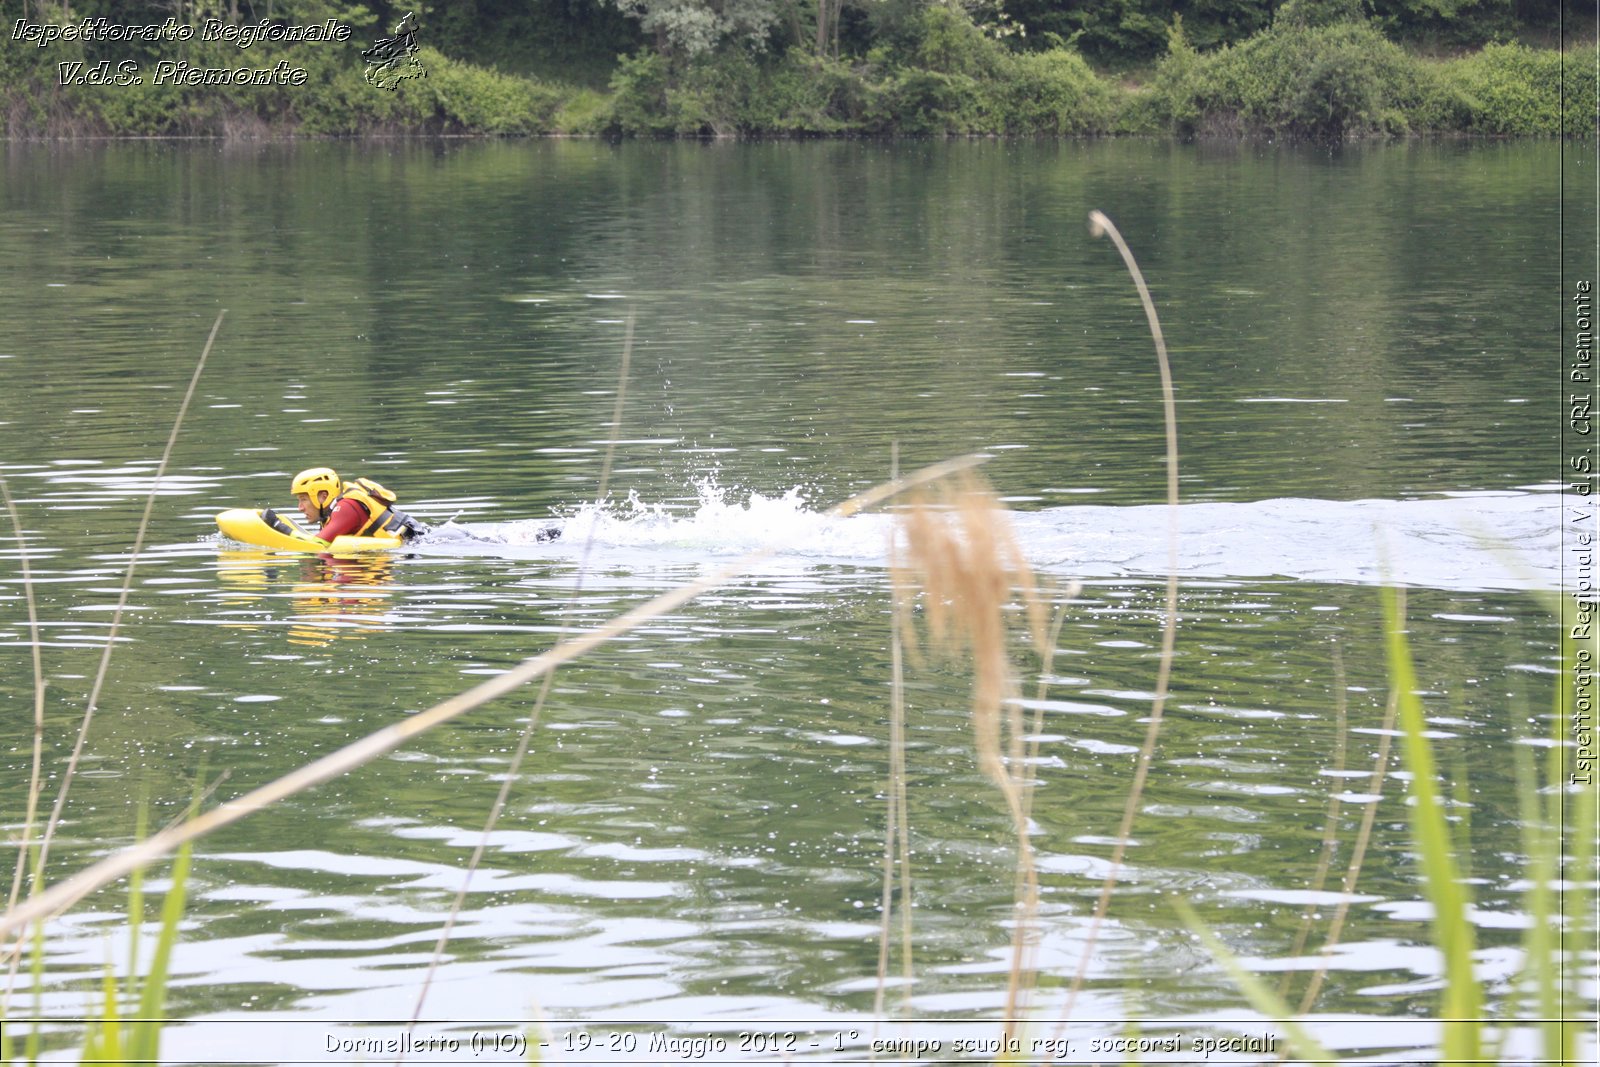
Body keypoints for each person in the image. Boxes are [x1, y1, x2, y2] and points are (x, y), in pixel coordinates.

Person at [291, 467, 428, 542]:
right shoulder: (328, 516)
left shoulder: (346, 509)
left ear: (323, 496)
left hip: (422, 543)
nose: (300, 508)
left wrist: (280, 529)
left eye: (303, 499)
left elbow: (316, 544)